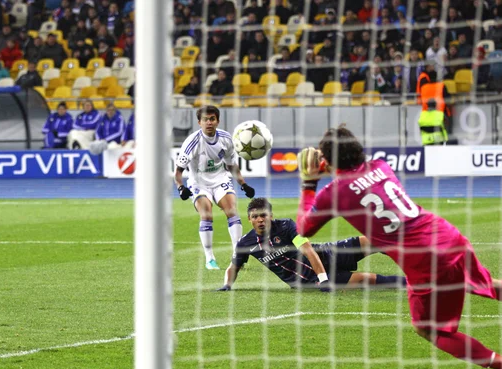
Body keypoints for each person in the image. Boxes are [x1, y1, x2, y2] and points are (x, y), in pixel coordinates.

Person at [295, 126, 502, 369]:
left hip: (423, 260)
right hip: (446, 235)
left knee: (428, 328)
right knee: (492, 284)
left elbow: (304, 227)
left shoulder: (334, 192)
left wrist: (309, 183)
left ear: (327, 161)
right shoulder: (381, 165)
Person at [218, 198, 408, 291]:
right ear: (249, 219)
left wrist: (323, 278)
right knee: (368, 279)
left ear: (271, 216)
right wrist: (227, 285)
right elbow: (233, 267)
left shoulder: (286, 226)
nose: (260, 220)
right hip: (307, 280)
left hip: (324, 255)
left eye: (263, 215)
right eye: (255, 217)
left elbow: (307, 249)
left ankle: (410, 246)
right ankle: (414, 284)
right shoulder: (246, 243)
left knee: (370, 241)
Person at [174, 105, 256, 270]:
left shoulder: (226, 139)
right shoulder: (191, 142)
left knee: (232, 211)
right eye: (205, 119)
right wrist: (180, 187)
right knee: (207, 215)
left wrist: (243, 184)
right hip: (199, 183)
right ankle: (210, 258)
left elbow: (232, 165)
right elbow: (178, 172)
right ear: (199, 122)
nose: (209, 122)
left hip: (220, 180)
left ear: (217, 121)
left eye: (212, 119)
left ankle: (237, 255)